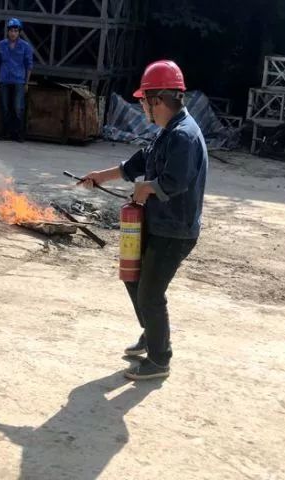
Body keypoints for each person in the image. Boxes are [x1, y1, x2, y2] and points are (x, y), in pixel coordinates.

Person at [79, 60, 208, 381]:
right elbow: (139, 162)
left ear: (158, 99)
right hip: (158, 223)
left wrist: (146, 188)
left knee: (151, 293)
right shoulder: (169, 132)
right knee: (132, 276)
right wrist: (100, 176)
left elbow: (175, 181)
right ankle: (152, 333)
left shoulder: (184, 136)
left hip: (174, 231)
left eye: (143, 100)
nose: (141, 106)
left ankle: (160, 359)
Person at [0, 17, 32, 142]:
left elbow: (29, 65)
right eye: (11, 30)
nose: (13, 33)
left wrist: (26, 83)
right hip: (4, 79)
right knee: (5, 107)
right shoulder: (1, 45)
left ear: (19, 32)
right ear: (8, 31)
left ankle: (18, 133)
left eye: (16, 31)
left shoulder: (25, 46)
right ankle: (5, 132)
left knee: (18, 108)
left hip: (19, 80)